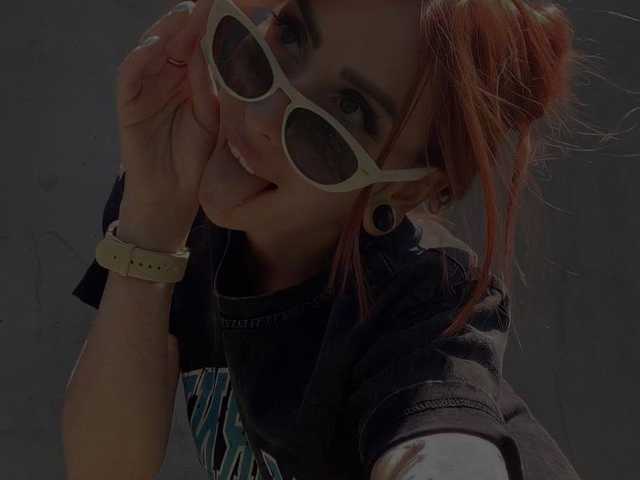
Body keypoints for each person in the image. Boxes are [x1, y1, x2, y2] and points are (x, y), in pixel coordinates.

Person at [62, 0, 584, 479]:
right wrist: (152, 221)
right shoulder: (184, 215)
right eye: (288, 35)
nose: (263, 115)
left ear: (405, 189)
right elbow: (105, 469)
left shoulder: (424, 300)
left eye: (349, 109)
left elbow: (446, 453)